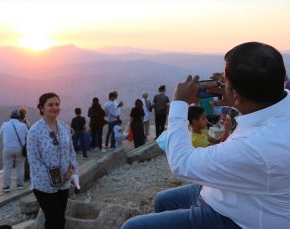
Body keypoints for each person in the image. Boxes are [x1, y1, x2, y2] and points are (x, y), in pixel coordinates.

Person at [122, 42, 290, 229]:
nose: (223, 84)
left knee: (133, 227)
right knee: (163, 200)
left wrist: (179, 105)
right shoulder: (278, 102)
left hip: (241, 216)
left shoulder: (260, 146)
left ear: (237, 95)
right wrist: (239, 101)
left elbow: (182, 163)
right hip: (243, 190)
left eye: (228, 84)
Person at [27, 92, 78, 229]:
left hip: (64, 182)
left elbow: (71, 151)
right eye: (50, 104)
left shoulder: (64, 127)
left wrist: (70, 170)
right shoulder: (34, 131)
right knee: (53, 219)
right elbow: (34, 160)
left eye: (57, 104)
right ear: (42, 108)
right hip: (44, 185)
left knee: (60, 219)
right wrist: (55, 178)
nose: (54, 107)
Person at [0, 109, 28, 193]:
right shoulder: (23, 125)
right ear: (19, 116)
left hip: (7, 148)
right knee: (20, 166)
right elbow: (28, 134)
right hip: (19, 148)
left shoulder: (5, 124)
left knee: (7, 167)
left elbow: (0, 133)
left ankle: (6, 186)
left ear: (10, 116)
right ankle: (20, 185)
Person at [19, 107, 31, 181]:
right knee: (26, 161)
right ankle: (26, 176)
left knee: (20, 161)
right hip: (26, 144)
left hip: (19, 144)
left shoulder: (16, 122)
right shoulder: (27, 122)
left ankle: (23, 176)